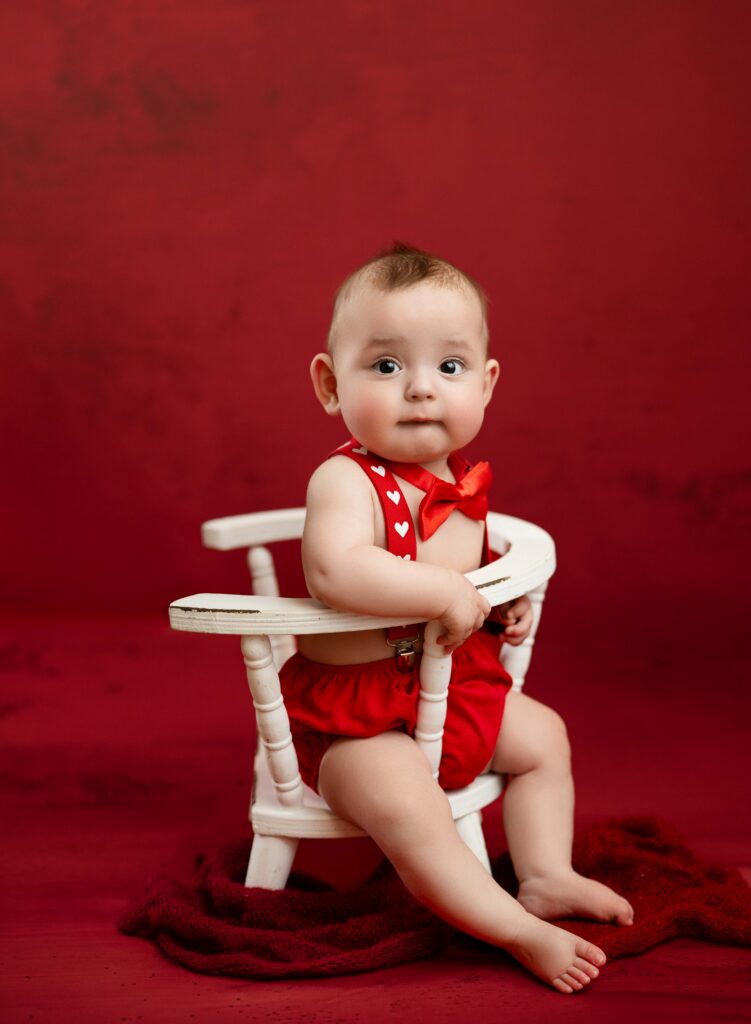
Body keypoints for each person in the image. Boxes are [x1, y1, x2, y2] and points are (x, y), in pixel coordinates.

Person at [280, 243, 633, 994]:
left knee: (543, 738)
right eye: (384, 367)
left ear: (486, 383)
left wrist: (491, 603)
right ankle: (511, 926)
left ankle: (544, 874)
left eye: (449, 368)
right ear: (327, 383)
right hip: (358, 716)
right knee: (409, 806)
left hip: (454, 685)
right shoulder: (342, 479)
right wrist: (442, 596)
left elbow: (463, 574)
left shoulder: (456, 480)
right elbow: (333, 569)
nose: (419, 391)